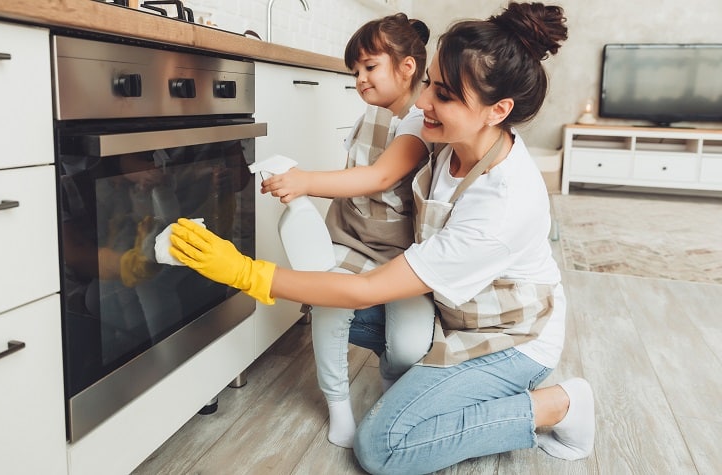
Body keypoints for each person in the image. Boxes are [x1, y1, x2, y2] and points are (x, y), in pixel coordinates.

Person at [168, 2, 595, 474]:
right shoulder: (438, 129)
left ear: (498, 111)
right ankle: (442, 387)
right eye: (429, 82)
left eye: (445, 94)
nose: (423, 101)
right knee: (322, 304)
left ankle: (559, 404)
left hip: (509, 337)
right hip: (453, 311)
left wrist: (246, 273)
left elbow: (367, 289)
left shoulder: (503, 204)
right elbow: (377, 173)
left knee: (382, 448)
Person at [260, 13, 435, 448]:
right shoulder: (371, 115)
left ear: (407, 66)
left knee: (412, 346)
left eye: (370, 67)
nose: (360, 80)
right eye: (355, 71)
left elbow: (377, 178)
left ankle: (393, 380)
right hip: (351, 240)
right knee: (329, 303)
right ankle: (337, 401)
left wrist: (305, 181)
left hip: (402, 258)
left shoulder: (419, 122)